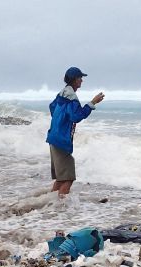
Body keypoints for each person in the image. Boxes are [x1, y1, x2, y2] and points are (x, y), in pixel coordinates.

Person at [46, 67, 105, 197]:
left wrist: (60, 120)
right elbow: (76, 116)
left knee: (61, 178)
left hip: (53, 137)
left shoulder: (61, 93)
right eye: (80, 78)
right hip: (61, 140)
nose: (82, 81)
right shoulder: (72, 96)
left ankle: (49, 206)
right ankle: (58, 209)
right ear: (74, 80)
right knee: (68, 178)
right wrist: (92, 102)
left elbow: (52, 107)